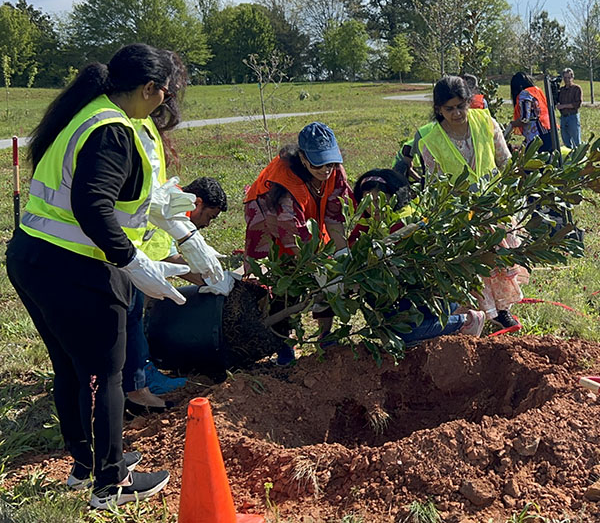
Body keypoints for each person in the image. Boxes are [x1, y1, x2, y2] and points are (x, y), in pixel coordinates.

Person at [4, 43, 211, 509]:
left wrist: (177, 225)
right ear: (149, 89)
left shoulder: (90, 113)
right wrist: (134, 263)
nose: (166, 102)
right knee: (106, 373)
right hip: (77, 267)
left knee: (74, 369)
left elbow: (112, 196)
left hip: (35, 257)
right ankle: (109, 483)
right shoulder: (112, 131)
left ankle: (86, 465)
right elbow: (93, 207)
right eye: (165, 93)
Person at [417, 75, 526, 330]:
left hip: (493, 207)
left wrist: (511, 192)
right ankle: (479, 312)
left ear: (468, 102)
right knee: (474, 265)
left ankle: (502, 311)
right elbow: (435, 185)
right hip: (461, 214)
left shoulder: (485, 123)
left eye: (460, 106)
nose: (456, 113)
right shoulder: (431, 141)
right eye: (449, 109)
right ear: (438, 109)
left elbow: (504, 160)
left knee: (498, 262)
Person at [243, 122, 353, 364]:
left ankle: (326, 335)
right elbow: (292, 240)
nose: (326, 169)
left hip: (306, 217)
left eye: (330, 162)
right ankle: (284, 346)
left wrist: (342, 255)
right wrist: (319, 270)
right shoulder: (283, 186)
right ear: (302, 158)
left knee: (330, 272)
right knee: (282, 279)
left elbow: (335, 217)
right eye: (318, 164)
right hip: (268, 218)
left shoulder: (334, 173)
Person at [124, 176, 229, 414]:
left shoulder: (169, 205)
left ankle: (140, 370)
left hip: (134, 267)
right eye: (209, 217)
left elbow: (169, 255)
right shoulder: (166, 205)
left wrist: (211, 279)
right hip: (127, 267)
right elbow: (163, 257)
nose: (208, 224)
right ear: (198, 203)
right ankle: (140, 378)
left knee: (137, 320)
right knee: (132, 321)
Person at [349, 168, 485, 340]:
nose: (373, 207)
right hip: (403, 294)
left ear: (394, 197)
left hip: (427, 294)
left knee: (403, 332)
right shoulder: (369, 221)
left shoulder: (406, 221)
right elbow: (353, 245)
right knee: (388, 329)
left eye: (379, 200)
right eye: (367, 201)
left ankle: (466, 321)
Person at [508, 72, 553, 153]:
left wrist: (512, 124)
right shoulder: (537, 90)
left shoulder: (524, 94)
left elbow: (525, 118)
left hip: (537, 136)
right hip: (549, 130)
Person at [556, 68, 582, 149]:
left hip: (572, 117)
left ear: (572, 77)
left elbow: (577, 104)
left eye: (569, 77)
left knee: (576, 141)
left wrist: (563, 106)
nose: (567, 80)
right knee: (566, 140)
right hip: (563, 117)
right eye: (565, 78)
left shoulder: (576, 88)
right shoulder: (561, 90)